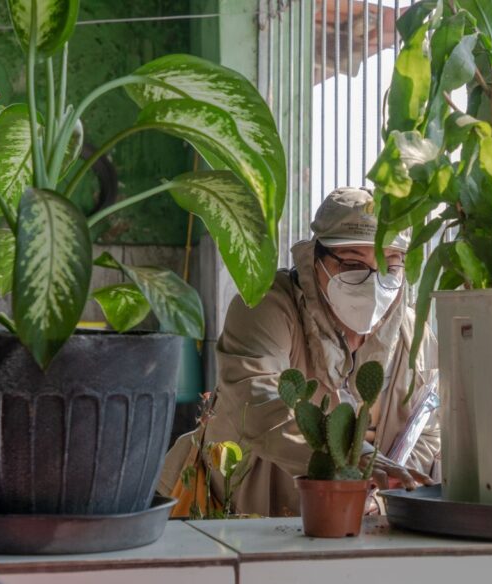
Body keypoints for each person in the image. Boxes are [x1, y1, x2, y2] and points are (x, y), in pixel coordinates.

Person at [157, 187, 439, 517]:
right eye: (352, 263)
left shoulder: (413, 333)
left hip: (354, 521)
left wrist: (383, 496)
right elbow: (256, 397)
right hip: (239, 515)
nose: (374, 283)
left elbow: (429, 428)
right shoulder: (267, 307)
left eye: (391, 266)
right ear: (316, 260)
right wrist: (351, 458)